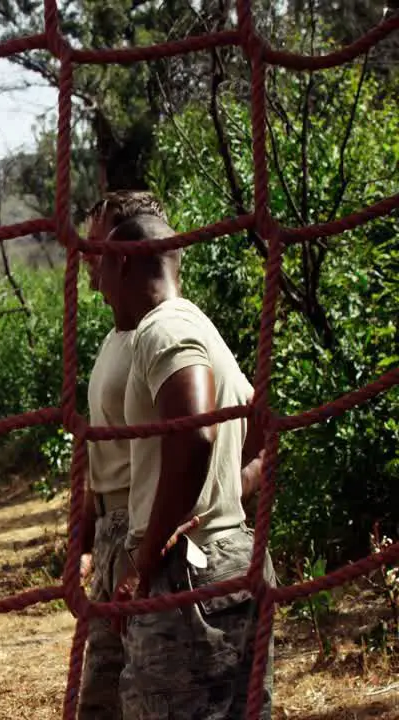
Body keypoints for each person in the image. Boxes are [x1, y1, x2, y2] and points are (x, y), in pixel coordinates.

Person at [98, 214, 274, 719]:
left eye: (104, 267)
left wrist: (146, 558)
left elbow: (197, 432)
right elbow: (261, 434)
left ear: (127, 263)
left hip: (186, 578)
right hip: (233, 555)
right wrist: (226, 496)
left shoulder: (164, 329)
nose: (100, 284)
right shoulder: (201, 325)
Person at [75, 190, 171, 719]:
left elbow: (243, 427)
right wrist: (86, 539)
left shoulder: (160, 332)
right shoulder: (118, 334)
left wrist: (167, 529)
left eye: (103, 244)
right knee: (103, 698)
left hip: (146, 534)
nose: (93, 255)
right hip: (113, 530)